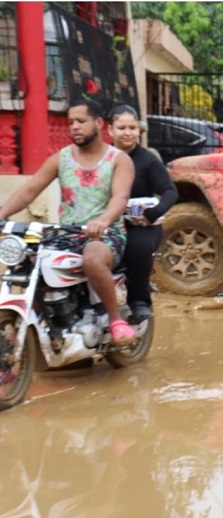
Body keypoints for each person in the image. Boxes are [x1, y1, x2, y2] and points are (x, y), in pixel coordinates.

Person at [0, 99, 137, 344]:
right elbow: (29, 191)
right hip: (65, 234)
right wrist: (2, 214)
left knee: (92, 259)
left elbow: (120, 197)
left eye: (81, 121)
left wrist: (103, 221)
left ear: (98, 123)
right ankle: (50, 323)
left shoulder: (118, 159)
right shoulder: (61, 158)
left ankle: (116, 319)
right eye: (71, 122)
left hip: (106, 235)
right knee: (30, 261)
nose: (74, 126)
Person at [107, 104, 177, 322]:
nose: (127, 133)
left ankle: (139, 300)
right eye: (121, 128)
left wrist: (153, 213)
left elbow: (170, 192)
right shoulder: (102, 159)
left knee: (138, 247)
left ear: (139, 130)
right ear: (110, 130)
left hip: (141, 225)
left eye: (132, 128)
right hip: (107, 222)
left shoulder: (148, 160)